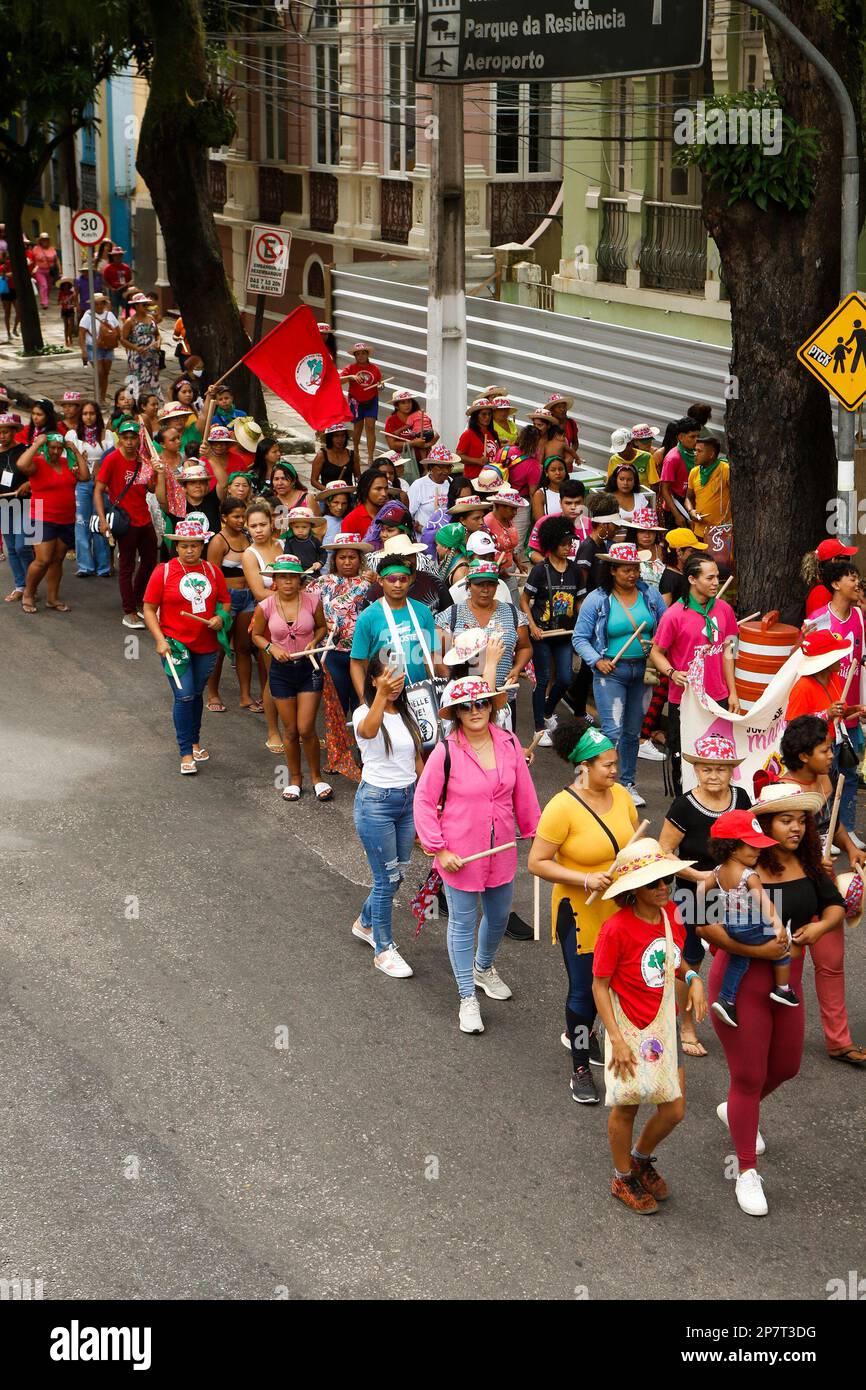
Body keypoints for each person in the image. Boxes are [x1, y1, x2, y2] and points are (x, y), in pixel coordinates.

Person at [702, 781, 843, 1215]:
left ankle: (737, 1110)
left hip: (788, 982)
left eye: (801, 819)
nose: (796, 827)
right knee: (748, 1074)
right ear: (762, 824)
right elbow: (702, 924)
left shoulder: (814, 867)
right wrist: (755, 950)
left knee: (786, 1066)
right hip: (740, 983)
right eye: (786, 819)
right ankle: (746, 1171)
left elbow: (836, 906)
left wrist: (819, 928)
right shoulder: (735, 866)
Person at [414, 677, 541, 1034]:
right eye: (467, 706)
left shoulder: (510, 742)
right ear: (456, 712)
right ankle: (466, 997)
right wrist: (440, 848)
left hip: (501, 847)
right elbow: (424, 801)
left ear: (492, 707)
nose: (475, 710)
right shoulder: (446, 750)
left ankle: (483, 968)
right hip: (460, 853)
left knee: (499, 917)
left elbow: (525, 795)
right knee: (462, 922)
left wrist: (536, 835)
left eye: (482, 703)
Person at [528, 720, 639, 1100]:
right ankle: (578, 1063)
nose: (615, 770)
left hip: (619, 907)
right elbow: (537, 862)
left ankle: (589, 1035)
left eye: (615, 762)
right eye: (606, 764)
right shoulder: (561, 807)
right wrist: (585, 878)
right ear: (584, 766)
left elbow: (630, 844)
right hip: (580, 909)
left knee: (611, 983)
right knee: (584, 991)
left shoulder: (622, 795)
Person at [593, 838, 704, 1213]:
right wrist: (616, 1040)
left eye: (665, 881)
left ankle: (639, 1158)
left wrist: (693, 979)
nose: (663, 888)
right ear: (633, 891)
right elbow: (600, 985)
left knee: (674, 1109)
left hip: (664, 1027)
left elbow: (674, 962)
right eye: (653, 884)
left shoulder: (671, 914)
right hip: (629, 1028)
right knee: (627, 1106)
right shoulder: (615, 929)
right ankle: (622, 1177)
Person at [659, 735, 751, 1056]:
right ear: (696, 770)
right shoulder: (685, 806)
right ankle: (686, 1026)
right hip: (694, 893)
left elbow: (750, 843)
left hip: (737, 893)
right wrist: (701, 876)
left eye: (721, 769)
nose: (714, 775)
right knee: (692, 959)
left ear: (731, 772)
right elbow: (664, 852)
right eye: (707, 769)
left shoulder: (741, 798)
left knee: (740, 951)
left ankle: (736, 1015)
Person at [573, 542, 667, 807]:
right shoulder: (598, 599)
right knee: (612, 730)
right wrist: (596, 660)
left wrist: (659, 644)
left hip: (642, 670)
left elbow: (667, 625)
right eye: (626, 569)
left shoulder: (650, 595)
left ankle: (626, 784)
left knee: (632, 731)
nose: (632, 574)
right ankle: (590, 780)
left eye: (635, 569)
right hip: (610, 672)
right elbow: (580, 638)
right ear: (613, 570)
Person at [350, 656, 425, 977]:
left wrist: (430, 799)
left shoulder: (406, 713)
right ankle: (383, 950)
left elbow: (417, 760)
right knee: (385, 881)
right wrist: (380, 694)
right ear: (373, 680)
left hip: (407, 802)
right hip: (376, 804)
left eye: (399, 678)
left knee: (398, 876)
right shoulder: (364, 712)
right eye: (387, 677)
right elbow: (367, 732)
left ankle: (365, 922)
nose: (395, 683)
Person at [141, 519, 230, 774]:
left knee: (196, 694)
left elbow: (225, 603)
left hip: (207, 644)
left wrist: (220, 618)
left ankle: (195, 740)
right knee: (185, 695)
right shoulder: (164, 571)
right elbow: (148, 608)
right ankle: (185, 753)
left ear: (202, 546)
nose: (189, 550)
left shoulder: (213, 571)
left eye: (194, 545)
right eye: (184, 546)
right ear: (176, 546)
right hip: (174, 644)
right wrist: (159, 639)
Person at [650, 553, 741, 797]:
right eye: (709, 577)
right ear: (692, 579)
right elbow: (656, 652)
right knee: (685, 758)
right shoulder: (674, 614)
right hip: (685, 700)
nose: (715, 583)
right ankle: (683, 808)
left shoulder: (725, 610)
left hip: (718, 698)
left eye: (717, 578)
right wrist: (672, 672)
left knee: (717, 757)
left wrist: (733, 692)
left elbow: (729, 650)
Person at [250, 554, 331, 802]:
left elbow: (321, 627)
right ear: (274, 580)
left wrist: (314, 643)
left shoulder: (313, 601)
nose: (288, 582)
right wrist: (270, 648)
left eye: (292, 577)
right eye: (283, 577)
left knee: (307, 728)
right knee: (291, 730)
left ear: (300, 579)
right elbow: (256, 635)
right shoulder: (265, 606)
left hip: (309, 667)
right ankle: (295, 779)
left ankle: (316, 777)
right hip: (281, 672)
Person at [708, 810, 798, 1029]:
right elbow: (765, 903)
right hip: (749, 925)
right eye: (752, 845)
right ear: (732, 847)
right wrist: (778, 927)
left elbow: (702, 892)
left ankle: (726, 1000)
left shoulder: (718, 871)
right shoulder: (750, 875)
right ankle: (783, 987)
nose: (758, 850)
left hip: (731, 926)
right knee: (782, 947)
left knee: (739, 960)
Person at [805, 559, 866, 841]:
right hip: (826, 710)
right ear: (835, 584)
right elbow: (803, 658)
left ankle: (848, 829)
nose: (857, 583)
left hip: (850, 710)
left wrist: (861, 703)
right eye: (851, 577)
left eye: (857, 577)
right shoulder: (818, 618)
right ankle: (822, 831)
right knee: (825, 776)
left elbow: (861, 662)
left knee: (850, 771)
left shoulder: (860, 617)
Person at [436, 559, 531, 730]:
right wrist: (453, 684)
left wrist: (517, 669)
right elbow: (436, 654)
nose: (485, 590)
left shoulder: (512, 614)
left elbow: (524, 647)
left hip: (502, 697)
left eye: (491, 584)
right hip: (466, 705)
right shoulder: (451, 615)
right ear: (469, 584)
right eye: (479, 584)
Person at [522, 516, 581, 745]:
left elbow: (578, 602)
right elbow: (525, 601)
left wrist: (581, 623)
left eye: (570, 543)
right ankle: (539, 728)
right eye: (564, 543)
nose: (569, 547)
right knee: (543, 677)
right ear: (552, 543)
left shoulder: (575, 571)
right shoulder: (540, 570)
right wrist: (533, 627)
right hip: (542, 634)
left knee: (565, 678)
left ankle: (547, 712)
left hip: (564, 633)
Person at [777, 714, 865, 868]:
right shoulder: (783, 793)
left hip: (821, 870)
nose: (831, 755)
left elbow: (832, 825)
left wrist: (852, 849)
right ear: (804, 756)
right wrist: (810, 865)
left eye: (831, 748)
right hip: (796, 878)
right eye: (824, 751)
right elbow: (776, 853)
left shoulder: (828, 776)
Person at [94, 418, 158, 626]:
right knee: (127, 566)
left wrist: (155, 472)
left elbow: (151, 489)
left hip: (144, 518)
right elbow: (98, 489)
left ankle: (138, 599)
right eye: (125, 437)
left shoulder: (143, 459)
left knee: (149, 561)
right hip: (125, 520)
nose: (130, 442)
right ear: (119, 439)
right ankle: (129, 610)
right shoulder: (112, 459)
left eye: (133, 438)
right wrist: (103, 520)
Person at [16, 432, 89, 614]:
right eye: (52, 448)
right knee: (43, 560)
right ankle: (28, 593)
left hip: (65, 518)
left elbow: (85, 476)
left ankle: (52, 598)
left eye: (59, 448)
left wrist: (75, 451)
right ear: (45, 448)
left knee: (57, 560)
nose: (56, 452)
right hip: (40, 515)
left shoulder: (67, 464)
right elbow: (21, 464)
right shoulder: (38, 463)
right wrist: (37, 444)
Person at [350, 557, 438, 697]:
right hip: (386, 697)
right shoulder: (367, 617)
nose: (398, 584)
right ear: (380, 581)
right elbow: (356, 663)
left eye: (403, 579)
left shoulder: (422, 611)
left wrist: (440, 687)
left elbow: (433, 654)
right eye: (391, 579)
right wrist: (364, 699)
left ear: (409, 580)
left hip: (422, 694)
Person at [205, 496, 258, 713]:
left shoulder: (248, 536)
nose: (240, 521)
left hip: (248, 596)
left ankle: (245, 696)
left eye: (243, 517)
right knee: (219, 648)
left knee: (244, 648)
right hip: (227, 598)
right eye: (235, 516)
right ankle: (212, 694)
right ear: (224, 517)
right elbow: (211, 576)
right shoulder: (218, 541)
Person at [241, 500, 286, 748]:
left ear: (272, 523)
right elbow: (259, 593)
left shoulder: (282, 546)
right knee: (273, 676)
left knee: (296, 673)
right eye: (253, 526)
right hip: (268, 619)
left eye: (262, 524)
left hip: (292, 616)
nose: (258, 530)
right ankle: (272, 731)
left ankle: (296, 730)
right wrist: (291, 596)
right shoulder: (250, 554)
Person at [65, 399, 115, 580]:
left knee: (100, 522)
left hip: (102, 484)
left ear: (97, 415)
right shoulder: (72, 435)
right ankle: (85, 566)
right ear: (81, 416)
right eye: (85, 414)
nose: (88, 417)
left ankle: (103, 566)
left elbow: (111, 458)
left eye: (92, 413)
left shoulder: (107, 434)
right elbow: (71, 461)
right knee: (81, 523)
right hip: (83, 484)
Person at [0, 411, 32, 601]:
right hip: (4, 505)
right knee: (11, 548)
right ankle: (20, 585)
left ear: (14, 431)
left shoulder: (25, 450)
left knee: (23, 547)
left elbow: (38, 475)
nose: (2, 435)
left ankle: (31, 585)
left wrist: (28, 484)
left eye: (5, 432)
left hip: (27, 505)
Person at [340, 342, 383, 468]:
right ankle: (356, 451)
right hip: (356, 401)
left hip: (371, 400)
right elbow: (338, 381)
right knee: (357, 428)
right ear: (355, 356)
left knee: (370, 427)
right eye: (358, 354)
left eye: (363, 353)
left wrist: (381, 386)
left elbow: (380, 383)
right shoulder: (350, 368)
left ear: (367, 354)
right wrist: (350, 377)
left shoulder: (374, 368)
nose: (360, 356)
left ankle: (370, 457)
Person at [686, 435, 731, 541]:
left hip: (720, 531)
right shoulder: (694, 472)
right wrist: (691, 511)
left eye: (699, 451)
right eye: (695, 450)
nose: (695, 454)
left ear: (711, 454)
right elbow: (688, 497)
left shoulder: (725, 470)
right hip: (699, 531)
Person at [659, 416, 700, 529]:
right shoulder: (673, 458)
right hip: (676, 507)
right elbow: (665, 489)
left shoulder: (697, 453)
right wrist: (677, 515)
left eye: (698, 436)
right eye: (692, 436)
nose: (696, 440)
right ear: (681, 437)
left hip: (692, 505)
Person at [78, 291, 119, 406]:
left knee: (105, 373)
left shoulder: (110, 315)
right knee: (98, 372)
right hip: (93, 347)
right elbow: (81, 334)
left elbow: (117, 329)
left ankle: (102, 397)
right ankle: (97, 398)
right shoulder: (87, 316)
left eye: (101, 303)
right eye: (96, 303)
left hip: (108, 347)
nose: (99, 306)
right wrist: (83, 350)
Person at [801, 537, 859, 617]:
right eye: (846, 558)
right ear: (834, 561)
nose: (849, 563)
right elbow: (821, 627)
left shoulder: (826, 588)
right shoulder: (821, 592)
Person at [407, 444, 457, 535]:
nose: (446, 471)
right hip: (424, 538)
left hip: (448, 538)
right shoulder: (419, 485)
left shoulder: (451, 483)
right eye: (441, 467)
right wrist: (423, 529)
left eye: (448, 467)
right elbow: (408, 514)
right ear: (430, 467)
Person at [121, 293, 162, 401]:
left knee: (153, 378)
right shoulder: (130, 321)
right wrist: (135, 348)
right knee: (136, 380)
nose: (146, 306)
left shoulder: (151, 318)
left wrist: (158, 342)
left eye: (146, 304)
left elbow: (157, 333)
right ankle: (133, 402)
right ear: (137, 306)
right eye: (143, 304)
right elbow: (123, 339)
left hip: (152, 356)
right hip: (137, 357)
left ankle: (154, 401)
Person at [383, 389, 439, 464]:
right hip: (403, 462)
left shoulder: (420, 416)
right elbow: (392, 445)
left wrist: (427, 444)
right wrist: (413, 443)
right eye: (403, 402)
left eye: (409, 401)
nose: (407, 405)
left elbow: (432, 435)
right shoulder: (391, 421)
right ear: (396, 406)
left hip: (423, 461)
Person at [607, 423, 660, 489]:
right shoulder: (613, 459)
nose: (620, 453)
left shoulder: (647, 457)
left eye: (623, 449)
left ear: (631, 443)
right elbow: (610, 484)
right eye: (618, 450)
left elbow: (654, 484)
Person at [456, 399, 498, 480]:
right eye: (483, 414)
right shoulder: (468, 434)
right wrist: (478, 461)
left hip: (492, 478)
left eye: (489, 414)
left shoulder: (494, 433)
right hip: (474, 478)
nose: (488, 417)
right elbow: (459, 456)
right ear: (476, 416)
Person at [341, 466, 390, 536]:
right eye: (378, 489)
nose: (384, 493)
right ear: (365, 489)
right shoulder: (351, 520)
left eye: (386, 488)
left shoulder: (391, 513)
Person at [310, 423, 357, 490]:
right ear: (330, 437)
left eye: (342, 435)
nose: (340, 439)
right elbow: (313, 480)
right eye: (336, 436)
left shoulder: (352, 455)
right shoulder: (322, 456)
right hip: (329, 497)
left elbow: (358, 477)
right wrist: (328, 491)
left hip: (348, 495)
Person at [280, 505, 324, 575]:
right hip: (295, 572)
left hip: (313, 572)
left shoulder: (314, 541)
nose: (300, 530)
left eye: (304, 527)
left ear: (310, 527)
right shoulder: (290, 541)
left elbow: (323, 553)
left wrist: (320, 563)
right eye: (296, 527)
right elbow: (287, 556)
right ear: (291, 527)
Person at [316, 480, 353, 550]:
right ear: (327, 502)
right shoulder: (322, 523)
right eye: (335, 502)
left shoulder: (351, 520)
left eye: (344, 503)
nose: (340, 507)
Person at [530, 456, 568, 523]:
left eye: (561, 469)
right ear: (546, 472)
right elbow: (540, 523)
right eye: (553, 470)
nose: (558, 473)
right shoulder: (540, 494)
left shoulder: (571, 490)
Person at [31, 231, 59, 310]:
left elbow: (56, 260)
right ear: (40, 241)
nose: (45, 241)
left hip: (50, 271)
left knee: (49, 287)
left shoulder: (52, 249)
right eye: (43, 239)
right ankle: (44, 302)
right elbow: (32, 260)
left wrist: (59, 270)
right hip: (40, 270)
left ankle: (44, 299)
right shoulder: (36, 249)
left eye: (46, 239)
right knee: (44, 286)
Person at [103, 246, 132, 318]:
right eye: (116, 256)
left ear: (122, 256)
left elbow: (129, 280)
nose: (118, 257)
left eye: (119, 255)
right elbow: (104, 280)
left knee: (126, 309)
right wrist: (111, 288)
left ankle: (126, 324)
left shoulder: (126, 267)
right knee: (114, 309)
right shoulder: (108, 268)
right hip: (113, 291)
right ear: (113, 257)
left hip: (124, 290)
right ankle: (114, 325)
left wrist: (127, 289)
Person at [58, 276, 77, 346]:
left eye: (67, 285)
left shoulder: (72, 293)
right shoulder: (61, 293)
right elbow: (58, 302)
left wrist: (72, 305)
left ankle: (70, 337)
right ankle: (66, 339)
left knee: (71, 325)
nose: (66, 286)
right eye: (64, 285)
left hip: (71, 310)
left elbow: (75, 303)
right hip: (64, 310)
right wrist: (62, 302)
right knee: (66, 325)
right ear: (62, 286)